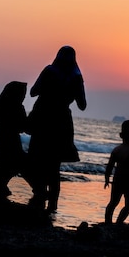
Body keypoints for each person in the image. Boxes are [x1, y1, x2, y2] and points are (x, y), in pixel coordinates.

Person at [26, 46, 87, 212]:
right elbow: (82, 105)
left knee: (36, 159)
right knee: (54, 167)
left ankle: (39, 198)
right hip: (61, 123)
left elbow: (33, 92)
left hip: (43, 118)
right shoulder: (76, 77)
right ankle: (52, 206)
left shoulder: (50, 71)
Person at [0, 81, 29, 199]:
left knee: (6, 174)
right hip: (12, 151)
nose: (23, 97)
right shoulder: (17, 107)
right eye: (23, 95)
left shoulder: (0, 108)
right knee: (22, 167)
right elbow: (23, 128)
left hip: (1, 151)